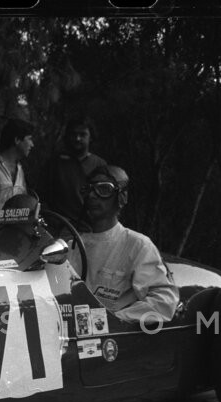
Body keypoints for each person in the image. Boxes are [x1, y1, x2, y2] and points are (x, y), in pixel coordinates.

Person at [66, 165, 179, 324]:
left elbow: (164, 302)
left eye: (103, 189)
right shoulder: (72, 247)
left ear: (121, 197)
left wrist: (115, 320)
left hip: (112, 335)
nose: (92, 195)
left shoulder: (138, 246)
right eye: (88, 189)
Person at [43, 115, 107, 222]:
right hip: (59, 225)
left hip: (90, 226)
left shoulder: (99, 164)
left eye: (82, 134)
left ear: (91, 137)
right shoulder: (55, 162)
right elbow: (43, 196)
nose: (77, 138)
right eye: (74, 134)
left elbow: (105, 200)